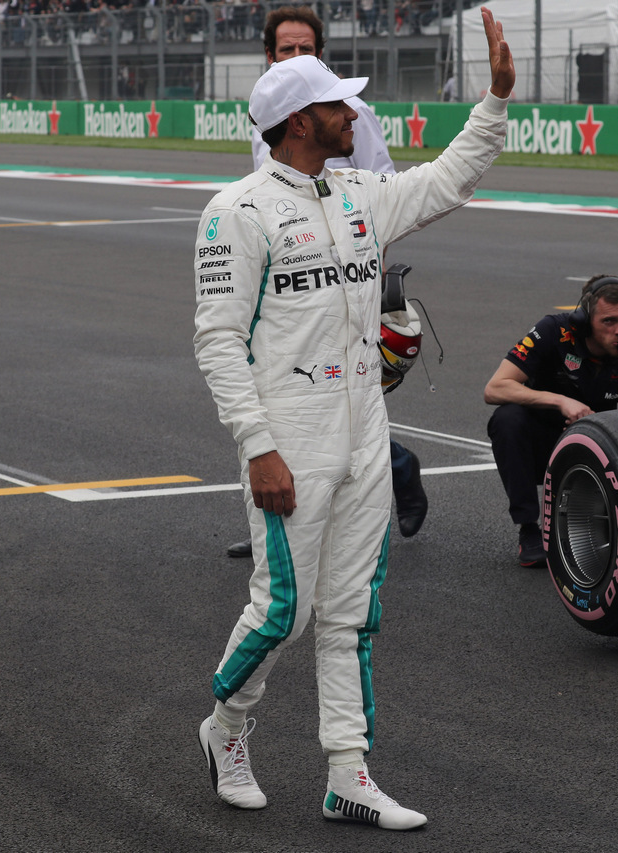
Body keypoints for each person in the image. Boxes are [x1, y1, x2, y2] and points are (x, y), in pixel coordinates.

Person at [193, 8, 514, 830]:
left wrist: (496, 101)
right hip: (289, 435)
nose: (354, 115)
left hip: (365, 426)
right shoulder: (237, 210)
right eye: (340, 106)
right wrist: (258, 446)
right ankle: (226, 727)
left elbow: (449, 180)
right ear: (300, 122)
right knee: (283, 610)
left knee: (351, 611)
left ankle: (348, 771)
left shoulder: (362, 192)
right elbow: (219, 342)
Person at [228, 4, 426, 560]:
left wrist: (372, 276)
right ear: (269, 56)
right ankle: (274, 517)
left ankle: (394, 473)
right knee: (271, 388)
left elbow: (385, 191)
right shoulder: (267, 112)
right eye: (286, 49)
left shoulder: (349, 112)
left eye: (306, 48)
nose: (296, 56)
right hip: (285, 271)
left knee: (337, 393)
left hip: (347, 269)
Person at [483, 276, 618, 567]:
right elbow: (495, 388)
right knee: (507, 418)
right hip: (542, 442)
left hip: (600, 443)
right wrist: (560, 401)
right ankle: (529, 529)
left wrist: (599, 430)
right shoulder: (553, 331)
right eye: (609, 322)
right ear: (584, 320)